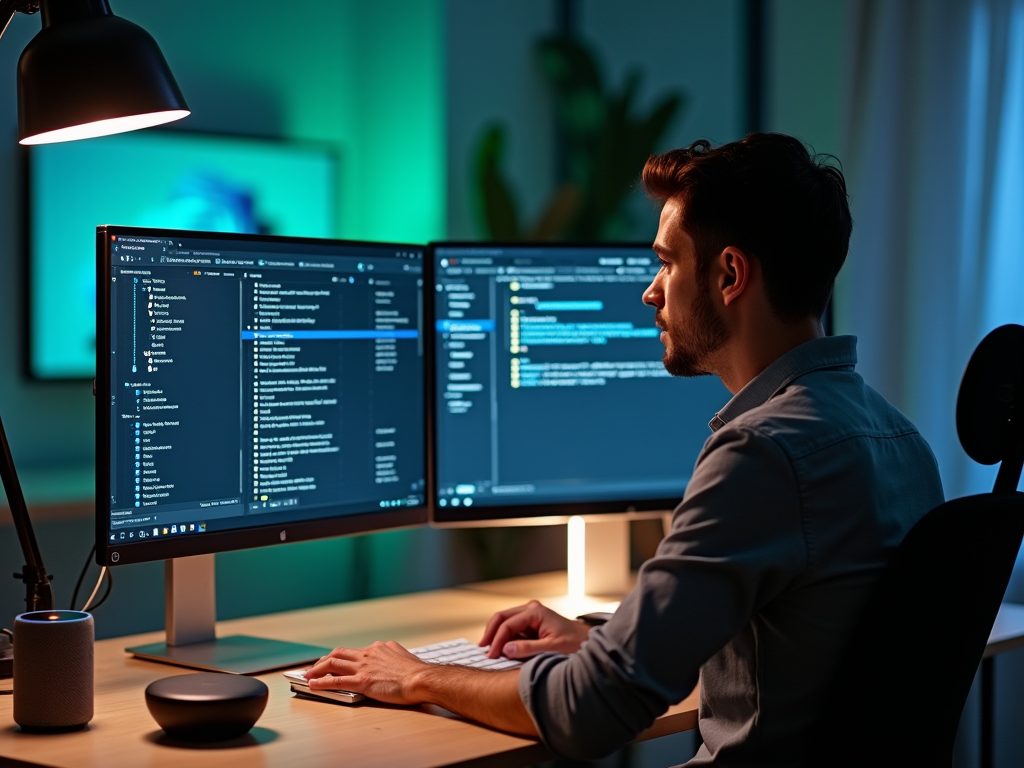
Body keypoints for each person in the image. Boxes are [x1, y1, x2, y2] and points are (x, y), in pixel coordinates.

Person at [303, 133, 945, 766]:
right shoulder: (900, 439)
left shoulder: (762, 452)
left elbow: (590, 714)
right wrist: (607, 641)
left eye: (667, 262)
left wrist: (419, 676)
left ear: (729, 274)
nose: (650, 290)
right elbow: (800, 643)